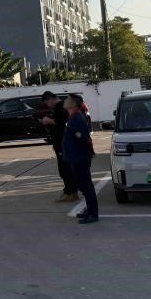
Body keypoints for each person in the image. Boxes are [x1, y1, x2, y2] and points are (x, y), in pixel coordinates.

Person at [63, 94, 99, 224]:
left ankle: (93, 214)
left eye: (68, 100)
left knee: (86, 186)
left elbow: (83, 139)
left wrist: (85, 155)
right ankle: (89, 210)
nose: (65, 101)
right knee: (83, 185)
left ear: (73, 104)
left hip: (80, 157)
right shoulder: (73, 117)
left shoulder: (77, 119)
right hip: (76, 157)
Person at [38, 91, 76, 201]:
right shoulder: (61, 107)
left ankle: (70, 192)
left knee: (64, 169)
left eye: (46, 102)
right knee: (67, 168)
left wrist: (48, 120)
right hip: (62, 143)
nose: (47, 105)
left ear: (50, 98)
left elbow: (61, 124)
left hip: (63, 144)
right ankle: (72, 192)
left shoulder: (60, 107)